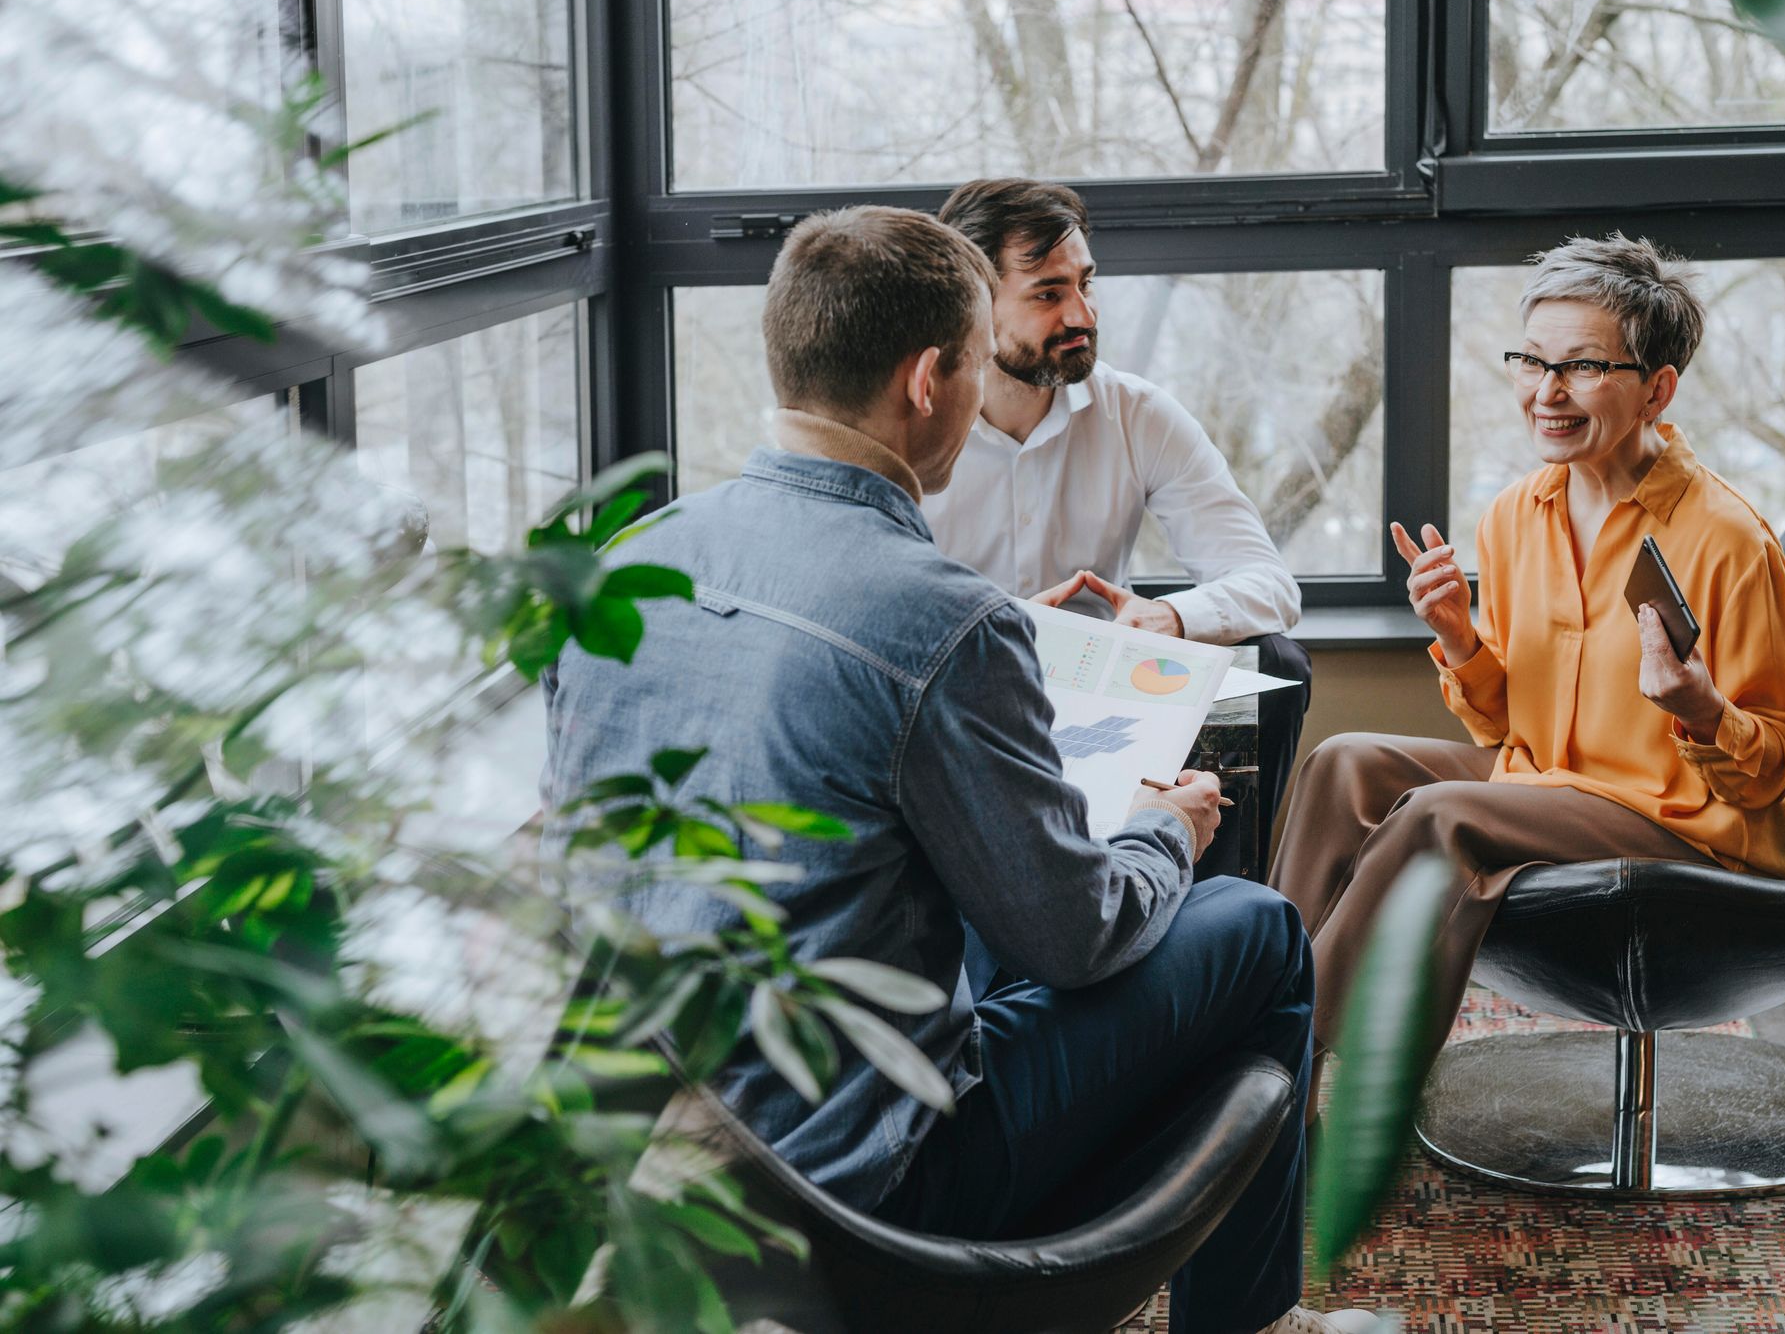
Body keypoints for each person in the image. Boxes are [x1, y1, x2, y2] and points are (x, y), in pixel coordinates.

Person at [541, 206, 1376, 1334]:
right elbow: (1076, 938)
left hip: (663, 1145)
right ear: (929, 379)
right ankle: (1250, 1321)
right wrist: (1164, 828)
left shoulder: (631, 561)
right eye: (978, 362)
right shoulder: (939, 618)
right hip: (873, 1190)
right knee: (1259, 928)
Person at [1270, 234, 1785, 1095]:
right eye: (1531, 361)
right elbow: (1505, 729)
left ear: (1657, 389)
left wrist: (1702, 710)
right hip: (1549, 787)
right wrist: (1460, 638)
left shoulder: (1728, 540)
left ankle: (1287, 1071)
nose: (1546, 391)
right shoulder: (1515, 515)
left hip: (1683, 831)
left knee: (1441, 814)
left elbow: (1779, 763)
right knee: (1345, 763)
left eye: (1583, 366)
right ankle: (1257, 1010)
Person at [927, 178, 1312, 872]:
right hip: (964, 696)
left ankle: (1212, 902)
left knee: (1272, 661)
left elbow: (1271, 586)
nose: (1082, 314)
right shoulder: (915, 425)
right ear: (972, 305)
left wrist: (1170, 617)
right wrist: (1005, 629)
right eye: (1048, 293)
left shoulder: (1139, 414)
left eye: (1086, 283)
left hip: (1104, 698)